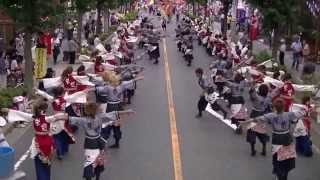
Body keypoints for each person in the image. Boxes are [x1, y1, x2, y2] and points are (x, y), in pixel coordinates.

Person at [241, 99, 304, 180]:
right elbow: (302, 113)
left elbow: (256, 119)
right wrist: (308, 108)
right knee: (288, 158)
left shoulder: (271, 115)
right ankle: (284, 175)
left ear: (274, 107)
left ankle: (278, 174)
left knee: (277, 158)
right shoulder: (289, 114)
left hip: (276, 139)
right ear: (284, 107)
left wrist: (244, 122)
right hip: (287, 138)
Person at [68, 103, 134, 180]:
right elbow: (114, 113)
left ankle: (88, 177)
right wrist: (126, 111)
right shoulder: (100, 117)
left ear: (87, 111)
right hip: (99, 141)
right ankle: (97, 177)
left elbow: (69, 118)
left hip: (89, 143)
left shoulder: (83, 120)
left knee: (89, 162)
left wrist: (56, 117)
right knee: (99, 159)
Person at [96, 72, 143, 148]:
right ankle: (117, 142)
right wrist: (137, 78)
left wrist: (90, 89)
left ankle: (102, 142)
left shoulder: (107, 87)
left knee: (107, 125)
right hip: (118, 106)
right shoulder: (121, 86)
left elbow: (98, 89)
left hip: (111, 106)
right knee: (117, 126)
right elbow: (130, 82)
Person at [246, 84, 272, 156]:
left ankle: (253, 150)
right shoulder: (268, 98)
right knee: (262, 132)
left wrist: (253, 84)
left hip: (254, 114)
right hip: (263, 115)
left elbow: (252, 92)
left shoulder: (257, 97)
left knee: (252, 132)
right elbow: (274, 92)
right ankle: (264, 149)